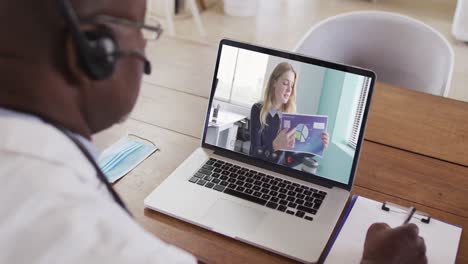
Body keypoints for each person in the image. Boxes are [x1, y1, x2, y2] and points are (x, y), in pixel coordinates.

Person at [0, 0, 427, 263]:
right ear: (96, 53)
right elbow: (256, 148)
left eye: (292, 85)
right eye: (142, 29)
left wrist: (308, 151)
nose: (146, 48)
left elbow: (298, 162)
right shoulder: (99, 244)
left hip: (294, 186)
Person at [250, 62, 329, 166]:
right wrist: (274, 146)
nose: (289, 90)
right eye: (285, 83)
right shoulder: (257, 110)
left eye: (291, 86)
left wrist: (315, 148)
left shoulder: (291, 118)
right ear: (274, 82)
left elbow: (289, 160)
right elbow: (255, 154)